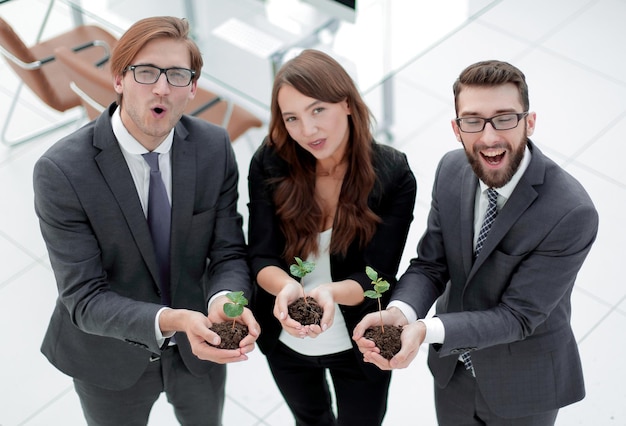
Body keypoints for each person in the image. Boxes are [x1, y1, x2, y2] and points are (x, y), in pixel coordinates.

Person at [33, 16, 260, 426]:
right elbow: (83, 297)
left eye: (176, 75)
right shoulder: (61, 171)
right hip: (109, 357)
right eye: (146, 72)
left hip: (201, 346)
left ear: (192, 88)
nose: (161, 87)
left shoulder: (214, 147)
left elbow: (227, 251)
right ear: (119, 78)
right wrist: (172, 319)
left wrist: (224, 301)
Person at [353, 59, 599, 425]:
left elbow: (518, 316)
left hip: (523, 384)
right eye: (473, 121)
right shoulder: (450, 170)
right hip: (453, 372)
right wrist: (400, 313)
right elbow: (431, 264)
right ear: (457, 128)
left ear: (529, 123)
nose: (489, 137)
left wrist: (426, 330)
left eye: (504, 118)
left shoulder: (571, 212)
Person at [247, 49, 417, 426]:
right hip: (285, 340)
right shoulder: (270, 162)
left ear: (348, 104)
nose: (307, 130)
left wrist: (328, 294)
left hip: (359, 339)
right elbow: (260, 257)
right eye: (292, 117)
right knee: (309, 419)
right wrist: (288, 289)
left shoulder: (393, 174)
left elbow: (378, 275)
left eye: (317, 110)